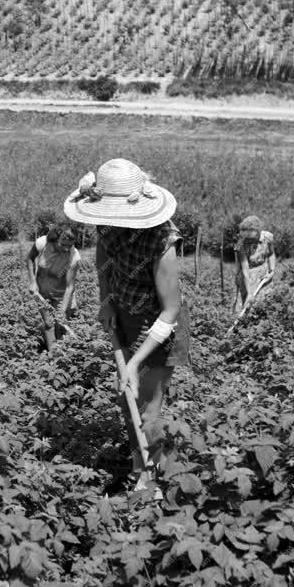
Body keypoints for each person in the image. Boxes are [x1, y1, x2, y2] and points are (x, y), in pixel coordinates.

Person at [64, 159, 190, 497]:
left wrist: (135, 362)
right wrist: (106, 300)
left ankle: (153, 479)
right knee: (127, 398)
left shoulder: (161, 240)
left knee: (148, 406)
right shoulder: (106, 225)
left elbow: (171, 310)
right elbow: (104, 259)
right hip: (123, 316)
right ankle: (139, 467)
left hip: (159, 326)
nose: (107, 222)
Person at [26, 223, 82, 350]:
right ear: (55, 238)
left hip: (62, 294)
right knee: (48, 323)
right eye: (63, 244)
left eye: (70, 245)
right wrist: (32, 281)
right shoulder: (42, 243)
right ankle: (53, 356)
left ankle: (63, 353)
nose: (67, 248)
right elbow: (30, 259)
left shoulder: (73, 256)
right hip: (42, 292)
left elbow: (69, 287)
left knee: (61, 324)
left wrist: (62, 311)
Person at [233, 216, 276, 315]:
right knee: (247, 304)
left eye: (252, 238)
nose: (249, 241)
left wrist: (272, 271)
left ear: (258, 232)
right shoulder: (241, 245)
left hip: (263, 273)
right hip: (248, 276)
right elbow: (245, 269)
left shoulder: (267, 237)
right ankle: (243, 325)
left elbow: (271, 254)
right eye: (246, 237)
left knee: (265, 303)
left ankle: (264, 325)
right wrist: (249, 292)